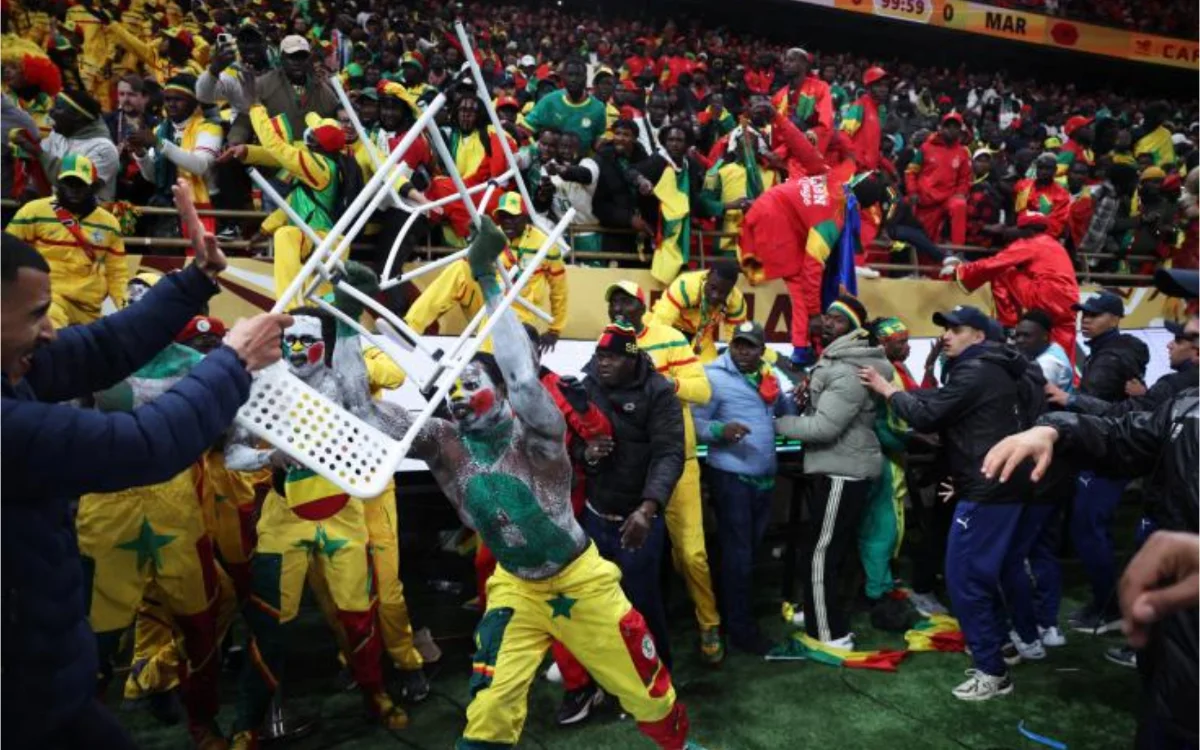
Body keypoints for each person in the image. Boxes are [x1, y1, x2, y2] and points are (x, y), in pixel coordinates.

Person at [353, 219, 694, 749]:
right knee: (487, 710)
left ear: (502, 392)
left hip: (581, 580)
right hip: (514, 586)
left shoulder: (534, 432)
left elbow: (519, 375)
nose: (460, 396)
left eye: (473, 385)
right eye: (453, 389)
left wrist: (488, 279)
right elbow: (360, 412)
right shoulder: (441, 441)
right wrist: (344, 324)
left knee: (649, 693)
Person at [1, 188, 288, 748]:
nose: (51, 329)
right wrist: (234, 363)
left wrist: (195, 279)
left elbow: (100, 347)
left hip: (46, 677)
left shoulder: (15, 363)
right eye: (37, 315)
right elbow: (143, 444)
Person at [225, 296, 410, 746]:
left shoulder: (342, 385)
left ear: (322, 345)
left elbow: (365, 392)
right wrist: (270, 455)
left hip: (344, 513)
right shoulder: (260, 386)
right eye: (290, 341)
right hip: (283, 515)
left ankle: (375, 694)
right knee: (270, 620)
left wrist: (349, 316)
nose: (296, 350)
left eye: (308, 342)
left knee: (358, 614)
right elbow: (232, 452)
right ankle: (250, 720)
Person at [983, 389, 1197, 749]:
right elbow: (1122, 435)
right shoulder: (1188, 407)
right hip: (1174, 626)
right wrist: (1052, 429)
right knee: (1166, 714)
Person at [859, 304, 1031, 700]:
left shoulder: (975, 370)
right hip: (999, 482)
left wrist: (887, 390)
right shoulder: (1000, 365)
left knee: (964, 577)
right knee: (987, 573)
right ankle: (1002, 644)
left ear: (979, 336)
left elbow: (928, 413)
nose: (946, 336)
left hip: (988, 489)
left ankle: (993, 671)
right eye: (946, 329)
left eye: (957, 329)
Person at [607, 280, 723, 664]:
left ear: (643, 307)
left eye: (627, 302)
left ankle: (708, 622)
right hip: (631, 469)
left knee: (691, 555)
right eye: (615, 302)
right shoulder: (609, 343)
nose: (620, 308)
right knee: (630, 557)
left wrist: (663, 383)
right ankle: (633, 632)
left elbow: (702, 391)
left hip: (678, 462)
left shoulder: (669, 337)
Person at [776, 296, 893, 649]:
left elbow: (825, 428)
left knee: (822, 553)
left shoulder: (846, 369)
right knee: (825, 548)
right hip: (841, 466)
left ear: (854, 330)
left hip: (843, 470)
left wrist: (777, 423)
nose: (827, 323)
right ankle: (816, 611)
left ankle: (830, 633)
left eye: (837, 320)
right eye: (826, 317)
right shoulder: (839, 362)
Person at [578, 320, 686, 669]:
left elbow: (670, 453)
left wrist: (648, 508)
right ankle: (606, 675)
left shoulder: (659, 392)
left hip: (638, 519)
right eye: (599, 355)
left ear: (631, 359)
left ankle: (656, 675)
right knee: (595, 603)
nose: (603, 363)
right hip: (596, 515)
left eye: (611, 357)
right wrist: (586, 454)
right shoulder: (588, 384)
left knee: (642, 603)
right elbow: (570, 437)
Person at [693, 320, 797, 654]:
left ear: (761, 349)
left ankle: (730, 616)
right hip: (731, 477)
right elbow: (693, 423)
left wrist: (791, 395)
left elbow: (785, 413)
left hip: (764, 479)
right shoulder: (712, 375)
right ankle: (740, 630)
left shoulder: (767, 375)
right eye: (738, 344)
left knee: (746, 553)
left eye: (750, 345)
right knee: (739, 555)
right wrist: (720, 430)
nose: (742, 351)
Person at [1058, 291, 1150, 634]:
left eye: (1094, 314)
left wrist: (1066, 399)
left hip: (1107, 455)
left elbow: (1098, 405)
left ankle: (1109, 605)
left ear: (1115, 318)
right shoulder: (1115, 351)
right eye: (1084, 313)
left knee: (1089, 530)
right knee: (1093, 530)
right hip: (1114, 453)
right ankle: (1108, 600)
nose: (1086, 319)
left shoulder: (1111, 358)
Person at [739, 172, 886, 367]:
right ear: (860, 207)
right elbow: (812, 267)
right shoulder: (832, 220)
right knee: (801, 288)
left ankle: (802, 347)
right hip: (773, 226)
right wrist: (815, 313)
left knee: (804, 285)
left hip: (772, 212)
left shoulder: (835, 180)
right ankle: (800, 351)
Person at [404, 194, 567, 353]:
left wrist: (555, 330)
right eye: (503, 217)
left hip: (519, 317)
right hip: (486, 303)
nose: (507, 221)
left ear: (525, 217)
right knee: (460, 268)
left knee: (498, 309)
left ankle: (483, 364)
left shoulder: (546, 246)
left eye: (513, 216)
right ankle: (410, 328)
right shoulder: (492, 236)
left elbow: (559, 290)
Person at [5, 153, 129, 327]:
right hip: (49, 298)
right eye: (68, 183)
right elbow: (8, 253)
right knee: (53, 332)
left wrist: (127, 309)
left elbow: (117, 274)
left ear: (93, 187)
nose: (74, 189)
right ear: (58, 184)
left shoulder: (109, 224)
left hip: (89, 307)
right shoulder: (33, 211)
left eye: (80, 184)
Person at [945, 212, 1080, 365]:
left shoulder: (1029, 242)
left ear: (1027, 231)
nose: (1014, 231)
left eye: (1017, 227)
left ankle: (1008, 326)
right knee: (1063, 354)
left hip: (1045, 299)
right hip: (1071, 304)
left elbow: (994, 263)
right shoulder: (1056, 246)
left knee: (1002, 270)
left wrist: (961, 271)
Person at [131, 73, 223, 237]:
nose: (171, 104)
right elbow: (154, 176)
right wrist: (140, 153)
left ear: (193, 101)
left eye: (178, 99)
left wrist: (159, 143)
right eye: (167, 99)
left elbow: (200, 166)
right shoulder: (160, 130)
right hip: (168, 207)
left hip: (204, 205)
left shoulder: (209, 128)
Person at [227, 34, 338, 147]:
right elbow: (245, 117)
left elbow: (336, 118)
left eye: (302, 57)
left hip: (311, 158)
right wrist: (236, 139)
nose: (297, 62)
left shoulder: (322, 89)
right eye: (292, 57)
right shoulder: (263, 85)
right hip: (273, 155)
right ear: (282, 58)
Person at [649, 260, 747, 364]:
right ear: (707, 276)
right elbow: (661, 322)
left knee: (709, 371)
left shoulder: (736, 302)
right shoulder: (685, 285)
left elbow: (736, 339)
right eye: (713, 288)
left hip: (702, 337)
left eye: (723, 293)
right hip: (673, 329)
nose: (715, 295)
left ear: (731, 289)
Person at [36, 88, 120, 202]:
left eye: (59, 108)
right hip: (54, 211)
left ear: (77, 116)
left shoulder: (104, 148)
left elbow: (74, 188)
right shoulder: (57, 134)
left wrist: (36, 151)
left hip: (91, 216)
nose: (51, 111)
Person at [905, 112, 971, 246]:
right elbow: (911, 171)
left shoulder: (963, 152)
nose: (951, 130)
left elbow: (964, 179)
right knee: (924, 241)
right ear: (941, 127)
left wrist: (960, 193)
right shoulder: (926, 147)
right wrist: (912, 191)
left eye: (955, 127)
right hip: (926, 199)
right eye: (948, 126)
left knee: (959, 204)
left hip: (948, 198)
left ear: (959, 130)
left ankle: (958, 249)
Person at [522, 58, 607, 154]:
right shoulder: (549, 101)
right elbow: (526, 129)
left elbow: (599, 142)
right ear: (563, 77)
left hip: (581, 163)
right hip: (550, 161)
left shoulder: (598, 108)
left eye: (578, 75)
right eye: (570, 75)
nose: (573, 79)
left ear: (585, 78)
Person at [592, 118, 651, 255]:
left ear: (635, 138)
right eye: (617, 133)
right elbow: (598, 204)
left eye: (626, 135)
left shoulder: (646, 160)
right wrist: (629, 219)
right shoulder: (600, 161)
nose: (620, 138)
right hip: (613, 233)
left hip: (643, 232)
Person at [771, 47, 832, 155]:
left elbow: (825, 126)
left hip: (809, 152)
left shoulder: (821, 88)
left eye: (791, 60)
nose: (786, 64)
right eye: (785, 60)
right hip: (783, 155)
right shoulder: (778, 96)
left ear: (804, 64)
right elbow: (776, 132)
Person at [840, 67, 888, 173]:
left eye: (885, 85)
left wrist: (890, 168)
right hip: (857, 171)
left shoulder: (881, 110)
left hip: (870, 170)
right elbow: (843, 135)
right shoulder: (860, 105)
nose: (883, 89)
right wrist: (857, 161)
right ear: (869, 87)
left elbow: (874, 146)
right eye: (879, 85)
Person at [1013, 153, 1071, 240]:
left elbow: (1056, 224)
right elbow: (1016, 211)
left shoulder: (1062, 195)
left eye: (1048, 168)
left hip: (1044, 238)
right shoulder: (1022, 185)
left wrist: (1029, 232)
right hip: (1018, 232)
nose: (1043, 172)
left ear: (1055, 170)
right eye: (1040, 168)